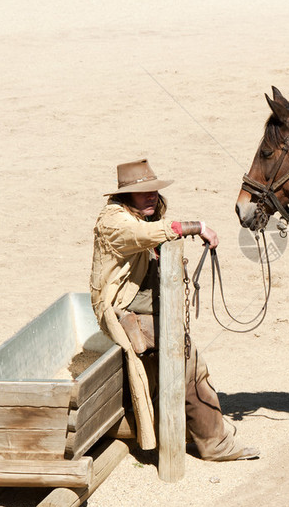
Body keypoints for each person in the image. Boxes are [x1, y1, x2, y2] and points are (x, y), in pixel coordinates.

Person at [90, 158, 258, 461]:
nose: (151, 196)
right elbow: (142, 236)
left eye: (153, 191)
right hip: (122, 313)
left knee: (191, 362)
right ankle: (216, 444)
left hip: (145, 308)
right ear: (125, 196)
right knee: (187, 361)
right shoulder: (113, 220)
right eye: (143, 192)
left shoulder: (145, 217)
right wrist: (197, 227)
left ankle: (194, 432)